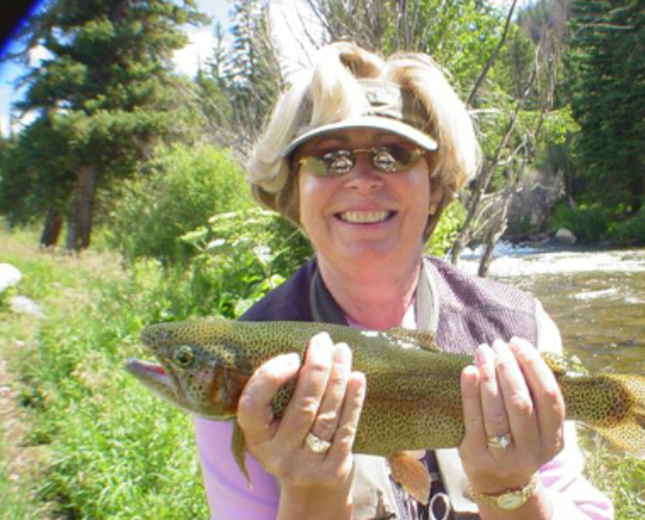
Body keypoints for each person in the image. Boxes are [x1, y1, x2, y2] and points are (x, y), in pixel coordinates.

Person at [193, 41, 614, 520]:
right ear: (293, 190)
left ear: (433, 187)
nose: (363, 179)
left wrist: (513, 492)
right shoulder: (242, 372)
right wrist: (310, 498)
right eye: (330, 158)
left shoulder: (518, 326)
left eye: (394, 154)